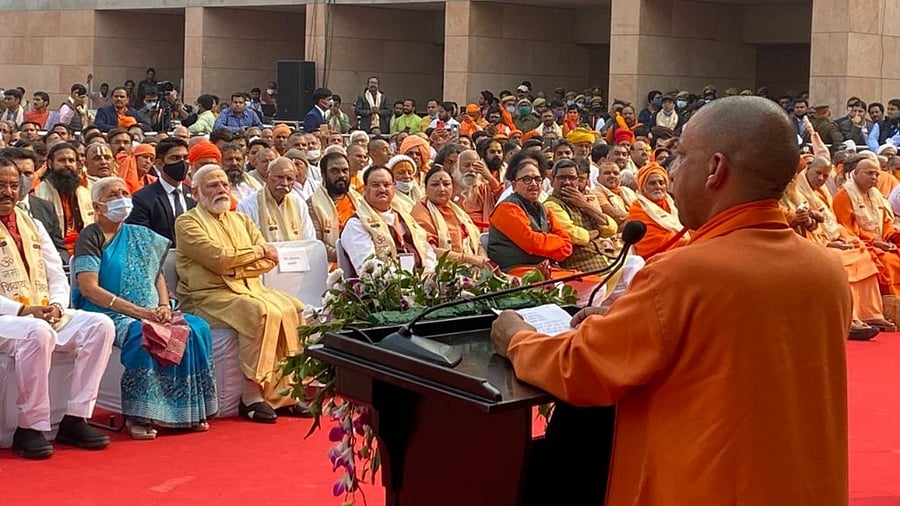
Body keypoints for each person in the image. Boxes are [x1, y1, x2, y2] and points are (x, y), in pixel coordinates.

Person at [491, 96, 851, 505]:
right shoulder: (827, 270)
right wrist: (627, 318)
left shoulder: (682, 274)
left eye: (681, 157)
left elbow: (581, 369)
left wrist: (516, 337)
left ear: (715, 169)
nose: (673, 171)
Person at [72, 176, 218, 438]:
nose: (121, 199)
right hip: (107, 312)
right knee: (144, 335)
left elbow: (157, 275)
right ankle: (140, 415)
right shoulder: (91, 235)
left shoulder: (141, 235)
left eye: (124, 192)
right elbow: (88, 288)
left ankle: (187, 413)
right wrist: (140, 313)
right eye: (113, 195)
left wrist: (163, 305)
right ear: (98, 206)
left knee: (197, 329)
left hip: (153, 310)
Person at [0, 159, 115, 459]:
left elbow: (56, 273)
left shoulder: (32, 223)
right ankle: (30, 427)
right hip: (9, 317)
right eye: (1, 185)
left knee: (99, 326)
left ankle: (76, 417)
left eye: (13, 185)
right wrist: (24, 311)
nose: (8, 192)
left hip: (38, 313)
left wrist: (56, 305)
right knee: (37, 332)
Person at [175, 165, 306, 423]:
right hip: (207, 296)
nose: (221, 189)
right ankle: (252, 395)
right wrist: (255, 254)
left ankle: (286, 392)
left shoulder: (241, 219)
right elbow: (219, 260)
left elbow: (271, 261)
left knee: (295, 307)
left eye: (224, 184)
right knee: (259, 312)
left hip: (249, 288)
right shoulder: (187, 222)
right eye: (213, 185)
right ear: (195, 192)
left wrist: (237, 266)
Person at [791, 156, 894, 334]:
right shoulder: (800, 192)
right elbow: (820, 226)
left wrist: (854, 240)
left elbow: (836, 225)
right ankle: (850, 317)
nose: (822, 179)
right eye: (818, 174)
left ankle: (870, 313)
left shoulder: (823, 192)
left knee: (864, 255)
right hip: (812, 244)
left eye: (877, 174)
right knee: (848, 260)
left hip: (836, 239)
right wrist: (835, 242)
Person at [487, 151, 573, 276]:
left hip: (544, 270)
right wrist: (553, 242)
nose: (533, 184)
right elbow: (532, 243)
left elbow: (567, 246)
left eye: (537, 179)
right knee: (591, 287)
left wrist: (543, 244)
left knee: (594, 282)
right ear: (514, 185)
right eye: (527, 179)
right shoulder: (507, 208)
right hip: (516, 273)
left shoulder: (543, 209)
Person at [341, 166, 435, 273]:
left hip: (420, 282)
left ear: (393, 188)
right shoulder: (356, 224)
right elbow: (368, 267)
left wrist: (429, 274)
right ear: (365, 189)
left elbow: (426, 249)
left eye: (386, 185)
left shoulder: (405, 217)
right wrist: (404, 281)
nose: (382, 189)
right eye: (375, 185)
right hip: (385, 286)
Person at [833, 156, 900, 296]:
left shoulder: (876, 195)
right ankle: (891, 303)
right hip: (862, 244)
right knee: (889, 262)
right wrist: (875, 242)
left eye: (876, 174)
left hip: (882, 243)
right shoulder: (843, 196)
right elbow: (847, 229)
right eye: (869, 173)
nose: (874, 177)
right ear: (855, 173)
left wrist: (890, 238)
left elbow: (886, 222)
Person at [543, 159, 618, 272]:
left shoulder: (581, 201)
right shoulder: (551, 205)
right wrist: (598, 232)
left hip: (605, 262)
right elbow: (572, 235)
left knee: (636, 262)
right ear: (552, 180)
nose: (567, 182)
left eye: (572, 178)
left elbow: (612, 227)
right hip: (583, 270)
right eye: (562, 177)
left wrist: (584, 205)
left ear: (578, 181)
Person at [411, 166, 489, 267]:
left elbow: (477, 243)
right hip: (440, 270)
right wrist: (469, 259)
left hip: (471, 267)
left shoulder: (458, 211)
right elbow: (430, 250)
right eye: (435, 185)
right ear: (425, 189)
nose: (442, 189)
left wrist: (483, 261)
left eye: (446, 184)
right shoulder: (420, 212)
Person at [127, 137, 195, 244]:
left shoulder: (194, 195)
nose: (182, 163)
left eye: (185, 158)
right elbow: (141, 240)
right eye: (175, 158)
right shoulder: (141, 199)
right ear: (159, 164)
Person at [237, 157, 316, 242]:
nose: (284, 183)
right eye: (279, 177)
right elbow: (245, 244)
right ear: (267, 177)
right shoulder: (247, 205)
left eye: (289, 179)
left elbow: (309, 241)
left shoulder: (299, 204)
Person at [35, 142, 94, 255]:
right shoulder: (39, 192)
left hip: (86, 248)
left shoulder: (85, 192)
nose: (67, 164)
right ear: (50, 164)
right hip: (56, 251)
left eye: (71, 160)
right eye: (61, 160)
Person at [626, 162, 689, 259]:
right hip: (658, 260)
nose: (658, 187)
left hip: (684, 251)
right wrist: (692, 242)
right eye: (652, 183)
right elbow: (655, 242)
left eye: (661, 183)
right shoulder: (637, 209)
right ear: (643, 188)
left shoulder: (673, 202)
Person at [308, 152, 362, 264]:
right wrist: (345, 255)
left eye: (345, 170)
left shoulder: (360, 201)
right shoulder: (312, 205)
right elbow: (316, 243)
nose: (341, 175)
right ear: (323, 175)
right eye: (335, 171)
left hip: (361, 261)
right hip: (329, 268)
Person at [452, 149, 501, 227]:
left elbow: (503, 198)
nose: (471, 169)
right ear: (458, 168)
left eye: (475, 166)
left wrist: (489, 177)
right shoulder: (450, 187)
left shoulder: (485, 188)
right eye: (466, 165)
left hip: (484, 234)